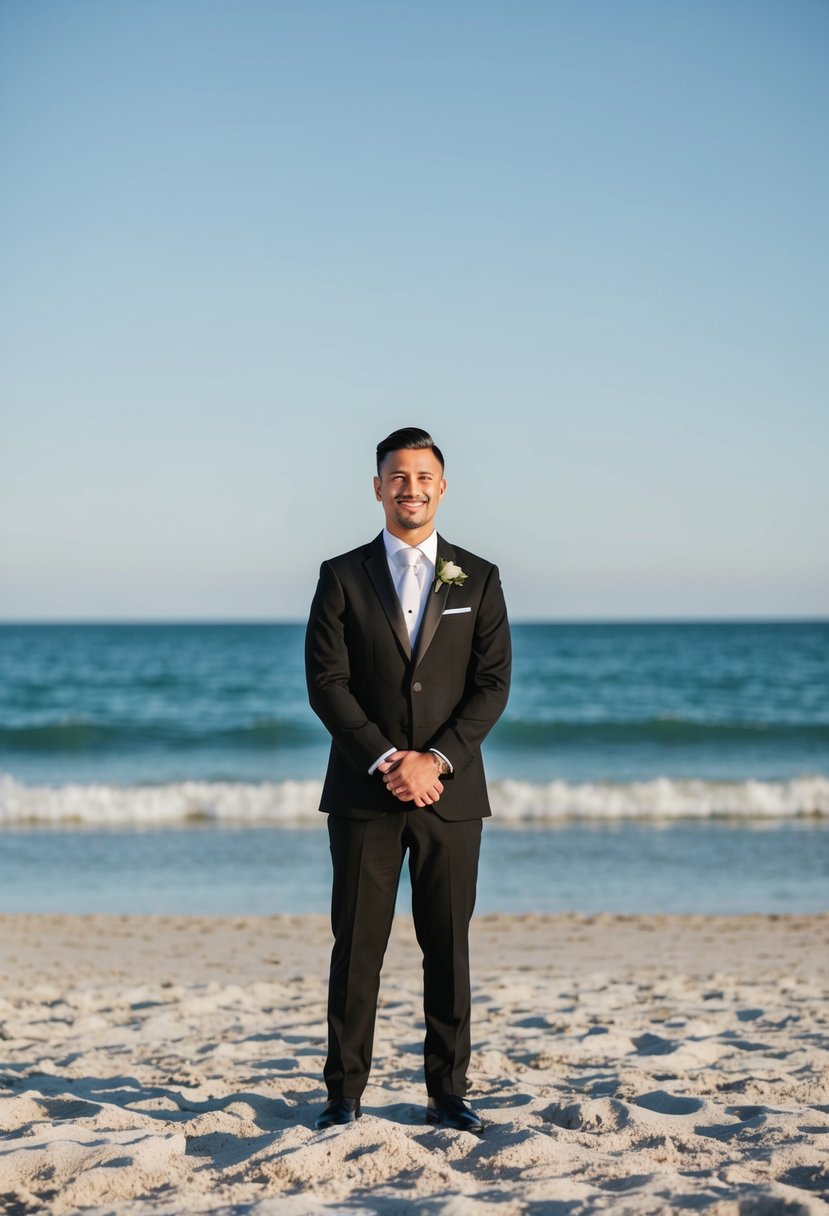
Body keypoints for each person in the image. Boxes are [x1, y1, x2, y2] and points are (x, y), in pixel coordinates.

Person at [305, 426, 511, 1134]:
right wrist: (388, 759)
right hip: (366, 793)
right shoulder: (340, 575)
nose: (411, 489)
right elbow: (326, 683)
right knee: (356, 945)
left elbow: (491, 685)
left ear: (441, 487)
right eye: (397, 477)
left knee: (446, 947)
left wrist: (437, 759)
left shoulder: (477, 577)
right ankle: (344, 1095)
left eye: (423, 477)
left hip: (451, 796)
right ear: (377, 487)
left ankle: (446, 1092)